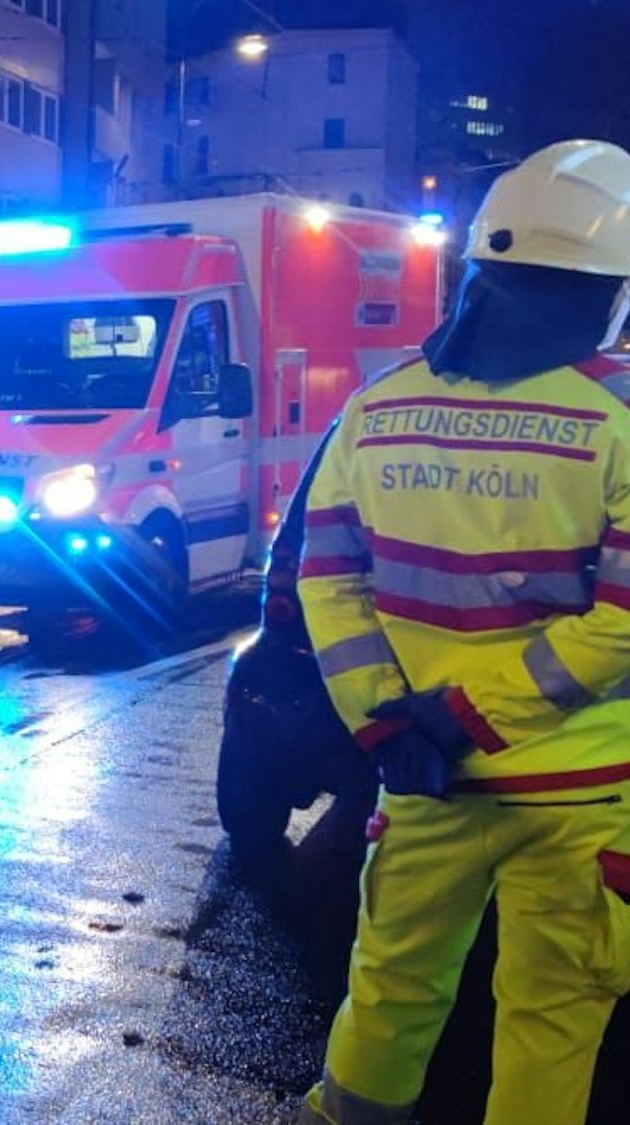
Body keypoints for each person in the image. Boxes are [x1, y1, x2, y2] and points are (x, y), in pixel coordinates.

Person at [295, 139, 630, 1124]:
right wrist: (466, 716)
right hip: (580, 795)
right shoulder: (618, 418)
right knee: (549, 1017)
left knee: (388, 989)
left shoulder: (377, 407)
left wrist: (387, 724)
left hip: (420, 779)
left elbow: (324, 578)